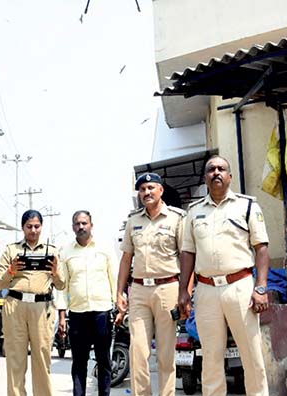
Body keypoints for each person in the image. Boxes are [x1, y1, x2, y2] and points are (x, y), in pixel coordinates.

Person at [178, 155, 270, 396]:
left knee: (251, 353)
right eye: (211, 169)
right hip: (206, 291)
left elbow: (261, 248)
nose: (216, 172)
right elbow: (188, 252)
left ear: (230, 176)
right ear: (205, 177)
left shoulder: (247, 205)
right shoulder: (194, 211)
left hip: (240, 287)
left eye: (221, 169)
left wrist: (260, 288)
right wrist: (183, 293)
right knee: (210, 357)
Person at [115, 173, 184, 396]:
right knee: (138, 352)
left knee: (165, 355)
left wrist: (186, 292)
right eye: (142, 189)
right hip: (139, 291)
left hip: (168, 289)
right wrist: (119, 293)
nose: (147, 193)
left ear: (161, 190)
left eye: (151, 188)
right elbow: (126, 258)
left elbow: (186, 256)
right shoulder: (133, 221)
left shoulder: (177, 218)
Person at [0, 209, 67, 396]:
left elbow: (61, 284)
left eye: (37, 226)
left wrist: (56, 272)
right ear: (22, 227)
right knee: (15, 358)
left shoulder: (52, 251)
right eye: (29, 226)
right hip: (15, 306)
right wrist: (11, 270)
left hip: (42, 307)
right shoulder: (12, 250)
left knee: (42, 358)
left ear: (41, 227)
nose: (33, 230)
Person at [56, 210, 118, 396]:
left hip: (102, 312)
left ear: (91, 225)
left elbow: (113, 278)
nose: (81, 227)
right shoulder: (66, 251)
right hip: (77, 314)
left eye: (84, 223)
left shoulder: (105, 248)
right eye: (77, 224)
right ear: (73, 227)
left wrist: (119, 307)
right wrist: (61, 316)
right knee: (79, 362)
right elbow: (62, 286)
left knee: (104, 361)